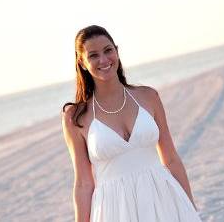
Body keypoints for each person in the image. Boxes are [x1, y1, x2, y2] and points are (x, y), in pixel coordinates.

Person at [62, 25, 202, 222]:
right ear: (82, 63)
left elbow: (170, 159)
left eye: (108, 50)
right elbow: (84, 183)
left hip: (163, 198)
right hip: (114, 209)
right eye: (93, 55)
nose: (103, 60)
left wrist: (190, 208)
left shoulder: (148, 96)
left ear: (116, 52)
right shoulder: (75, 117)